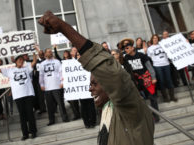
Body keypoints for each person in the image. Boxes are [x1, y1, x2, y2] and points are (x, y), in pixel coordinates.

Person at [38, 11, 154, 145]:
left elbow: (112, 73)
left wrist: (64, 28)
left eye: (94, 84)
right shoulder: (108, 110)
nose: (90, 89)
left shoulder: (130, 108)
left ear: (109, 84)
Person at [0, 52, 38, 141]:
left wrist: (34, 52)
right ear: (16, 61)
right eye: (19, 60)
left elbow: (34, 61)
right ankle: (25, 134)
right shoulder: (10, 70)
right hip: (18, 96)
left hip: (28, 94)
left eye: (22, 60)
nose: (21, 61)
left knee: (30, 113)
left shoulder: (27, 68)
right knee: (22, 115)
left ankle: (33, 132)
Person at [121, 38, 159, 122]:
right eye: (125, 49)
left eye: (127, 48)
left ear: (132, 48)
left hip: (146, 80)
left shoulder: (142, 55)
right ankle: (144, 117)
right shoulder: (126, 58)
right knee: (138, 100)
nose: (125, 50)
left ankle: (156, 116)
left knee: (152, 97)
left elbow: (149, 67)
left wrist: (154, 77)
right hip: (135, 82)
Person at [39, 48, 69, 126]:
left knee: (60, 103)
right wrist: (41, 84)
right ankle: (51, 120)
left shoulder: (57, 62)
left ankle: (64, 117)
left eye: (50, 52)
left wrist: (62, 82)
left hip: (57, 86)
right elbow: (41, 75)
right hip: (47, 87)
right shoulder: (42, 64)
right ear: (45, 54)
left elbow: (61, 72)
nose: (50, 53)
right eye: (48, 52)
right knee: (49, 105)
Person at [147, 34, 177, 102]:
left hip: (166, 64)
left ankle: (172, 96)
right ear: (152, 39)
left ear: (158, 39)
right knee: (161, 81)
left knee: (169, 80)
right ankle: (165, 97)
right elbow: (149, 58)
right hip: (157, 66)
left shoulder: (163, 45)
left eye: (156, 38)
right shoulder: (149, 48)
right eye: (154, 38)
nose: (155, 39)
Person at [54, 46, 81, 121]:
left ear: (69, 54)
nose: (65, 54)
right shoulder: (62, 61)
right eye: (64, 53)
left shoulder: (72, 60)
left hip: (74, 82)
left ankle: (78, 113)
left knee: (75, 99)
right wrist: (55, 49)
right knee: (70, 100)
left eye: (66, 53)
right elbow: (57, 56)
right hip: (67, 83)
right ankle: (76, 114)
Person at [33, 47, 47, 114]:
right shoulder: (36, 61)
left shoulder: (46, 60)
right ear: (38, 54)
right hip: (39, 80)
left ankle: (53, 108)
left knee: (48, 95)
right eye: (40, 53)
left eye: (42, 53)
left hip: (47, 80)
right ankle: (42, 108)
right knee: (40, 96)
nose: (41, 54)